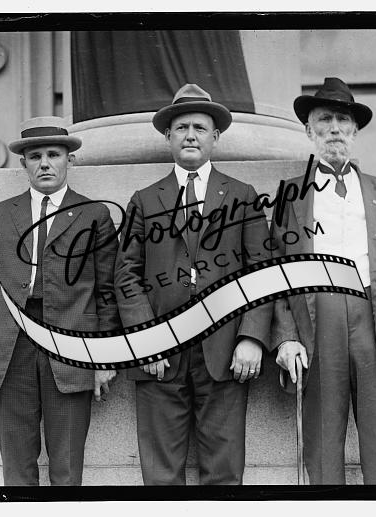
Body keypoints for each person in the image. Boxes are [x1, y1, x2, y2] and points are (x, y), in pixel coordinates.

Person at [114, 84, 272, 485]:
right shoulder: (144, 200)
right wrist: (147, 338)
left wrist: (252, 337)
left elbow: (262, 273)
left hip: (225, 352)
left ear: (215, 137)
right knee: (161, 475)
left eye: (199, 128)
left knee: (224, 472)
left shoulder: (242, 196)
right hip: (161, 354)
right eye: (181, 128)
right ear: (167, 136)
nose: (190, 135)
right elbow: (126, 274)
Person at [271, 77, 376, 484]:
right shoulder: (291, 194)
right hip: (317, 319)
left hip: (373, 317)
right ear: (309, 131)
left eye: (343, 120)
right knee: (322, 446)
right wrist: (286, 338)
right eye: (325, 120)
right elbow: (276, 275)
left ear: (355, 130)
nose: (334, 129)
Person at [0, 116, 120, 486]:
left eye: (54, 155)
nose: (45, 163)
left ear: (70, 160)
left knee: (67, 466)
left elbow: (108, 292)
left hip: (71, 347)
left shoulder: (94, 214)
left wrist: (104, 358)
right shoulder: (1, 215)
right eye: (35, 156)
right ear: (24, 164)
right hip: (10, 346)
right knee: (16, 468)